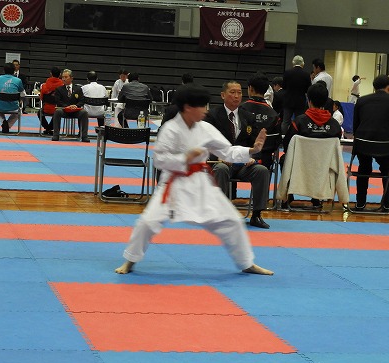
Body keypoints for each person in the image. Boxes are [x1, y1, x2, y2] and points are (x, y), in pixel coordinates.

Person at [114, 83, 273, 276]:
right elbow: (159, 160)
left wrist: (252, 150)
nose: (205, 111)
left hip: (200, 183)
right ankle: (130, 260)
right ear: (189, 107)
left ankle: (247, 263)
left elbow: (227, 151)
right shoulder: (170, 129)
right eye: (202, 106)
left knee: (232, 220)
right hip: (173, 184)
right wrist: (185, 158)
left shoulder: (205, 128)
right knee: (147, 222)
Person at [204, 80, 272, 229]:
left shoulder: (248, 116)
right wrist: (218, 157)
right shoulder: (212, 116)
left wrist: (253, 157)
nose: (236, 96)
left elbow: (254, 144)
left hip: (242, 165)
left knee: (261, 171)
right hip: (221, 162)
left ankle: (256, 215)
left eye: (239, 92)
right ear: (223, 95)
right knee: (221, 169)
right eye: (232, 92)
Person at [281, 83, 343, 209]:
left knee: (284, 159)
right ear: (326, 101)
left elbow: (287, 145)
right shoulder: (335, 125)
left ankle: (288, 195)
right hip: (324, 166)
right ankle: (316, 198)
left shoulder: (299, 121)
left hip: (300, 165)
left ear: (308, 101)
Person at [352, 74, 389, 211]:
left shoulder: (361, 100)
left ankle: (360, 203)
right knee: (387, 170)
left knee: (364, 168)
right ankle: (387, 204)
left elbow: (355, 126)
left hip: (363, 143)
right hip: (385, 144)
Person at [240, 73, 281, 169]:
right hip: (264, 161)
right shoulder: (274, 115)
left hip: (240, 159)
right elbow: (277, 141)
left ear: (250, 88)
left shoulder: (239, 110)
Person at [52, 69, 90, 143]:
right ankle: (56, 135)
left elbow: (82, 100)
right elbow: (58, 101)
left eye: (66, 77)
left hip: (76, 110)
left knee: (84, 113)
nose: (64, 79)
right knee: (57, 112)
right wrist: (66, 106)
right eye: (63, 77)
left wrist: (76, 106)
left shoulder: (78, 89)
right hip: (64, 110)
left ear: (71, 78)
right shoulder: (59, 89)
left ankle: (84, 136)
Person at [281, 55, 312, 134]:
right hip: (300, 101)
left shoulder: (287, 73)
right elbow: (308, 89)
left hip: (288, 101)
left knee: (285, 121)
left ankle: (283, 137)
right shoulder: (306, 74)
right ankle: (298, 136)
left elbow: (284, 86)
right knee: (300, 121)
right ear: (303, 63)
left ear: (293, 63)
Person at [0, 62, 24, 133]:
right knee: (19, 111)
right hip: (13, 107)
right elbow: (23, 94)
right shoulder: (18, 80)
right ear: (14, 71)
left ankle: (4, 122)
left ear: (4, 70)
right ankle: (8, 124)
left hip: (0, 106)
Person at [38, 67, 64, 136]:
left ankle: (47, 128)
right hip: (57, 110)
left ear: (51, 74)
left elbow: (41, 98)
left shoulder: (44, 85)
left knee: (39, 112)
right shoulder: (62, 86)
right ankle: (50, 128)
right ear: (60, 74)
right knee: (58, 112)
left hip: (46, 109)